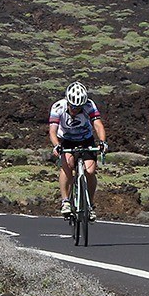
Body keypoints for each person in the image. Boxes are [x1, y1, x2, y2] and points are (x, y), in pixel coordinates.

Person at [49, 81, 108, 220]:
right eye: (73, 107)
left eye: (79, 107)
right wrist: (57, 145)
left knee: (90, 171)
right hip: (66, 140)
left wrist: (103, 142)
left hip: (85, 139)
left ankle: (90, 204)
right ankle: (65, 201)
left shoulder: (89, 105)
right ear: (68, 102)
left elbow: (98, 125)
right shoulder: (58, 107)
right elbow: (52, 131)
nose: (75, 110)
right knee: (67, 166)